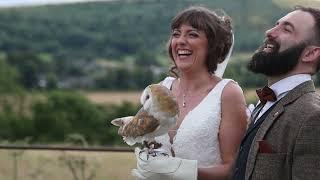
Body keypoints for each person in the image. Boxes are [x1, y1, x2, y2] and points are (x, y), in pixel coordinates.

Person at [132, 6, 248, 180]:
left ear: (212, 45)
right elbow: (151, 146)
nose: (180, 41)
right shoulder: (160, 89)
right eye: (176, 34)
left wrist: (182, 172)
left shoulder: (228, 93)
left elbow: (232, 169)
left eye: (192, 34)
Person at [231, 6, 320, 180]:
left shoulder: (313, 117)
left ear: (310, 53)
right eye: (276, 25)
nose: (270, 32)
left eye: (286, 29)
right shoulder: (263, 103)